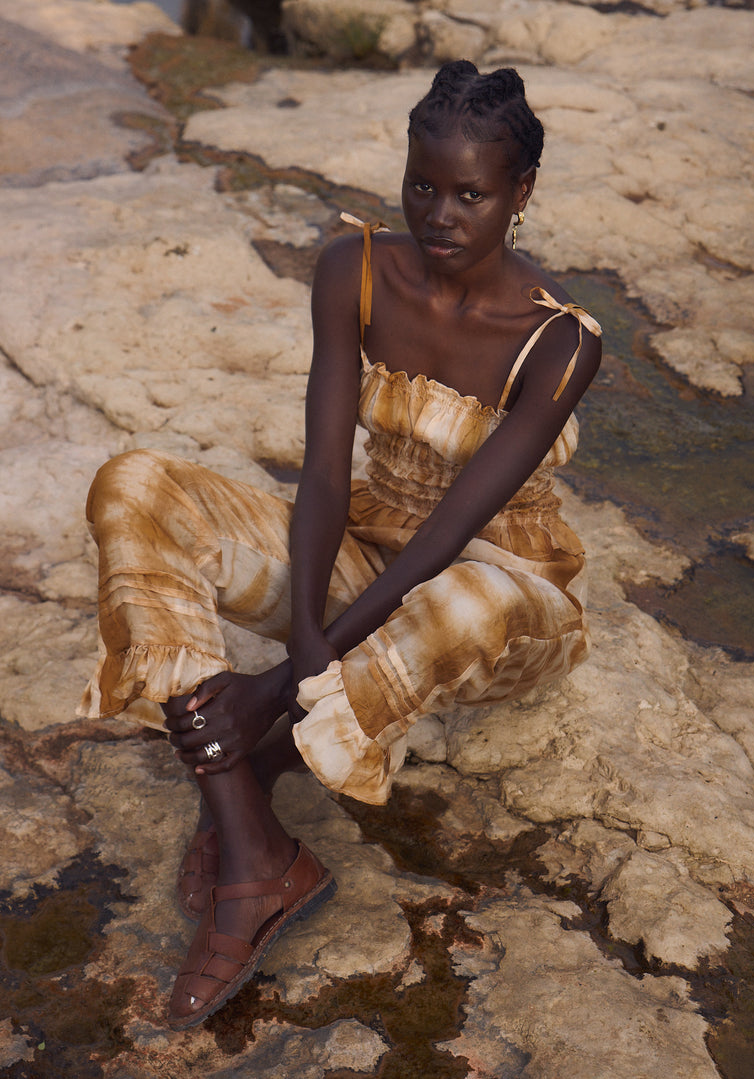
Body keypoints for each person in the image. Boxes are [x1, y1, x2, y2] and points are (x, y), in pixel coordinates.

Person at [81, 60, 602, 1029]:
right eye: (421, 186)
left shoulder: (559, 342)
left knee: (455, 599)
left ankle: (260, 755)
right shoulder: (352, 267)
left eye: (470, 195)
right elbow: (322, 475)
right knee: (135, 486)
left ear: (520, 193)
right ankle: (254, 850)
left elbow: (450, 537)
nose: (439, 214)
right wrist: (307, 634)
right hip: (369, 539)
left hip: (502, 589)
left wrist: (277, 680)